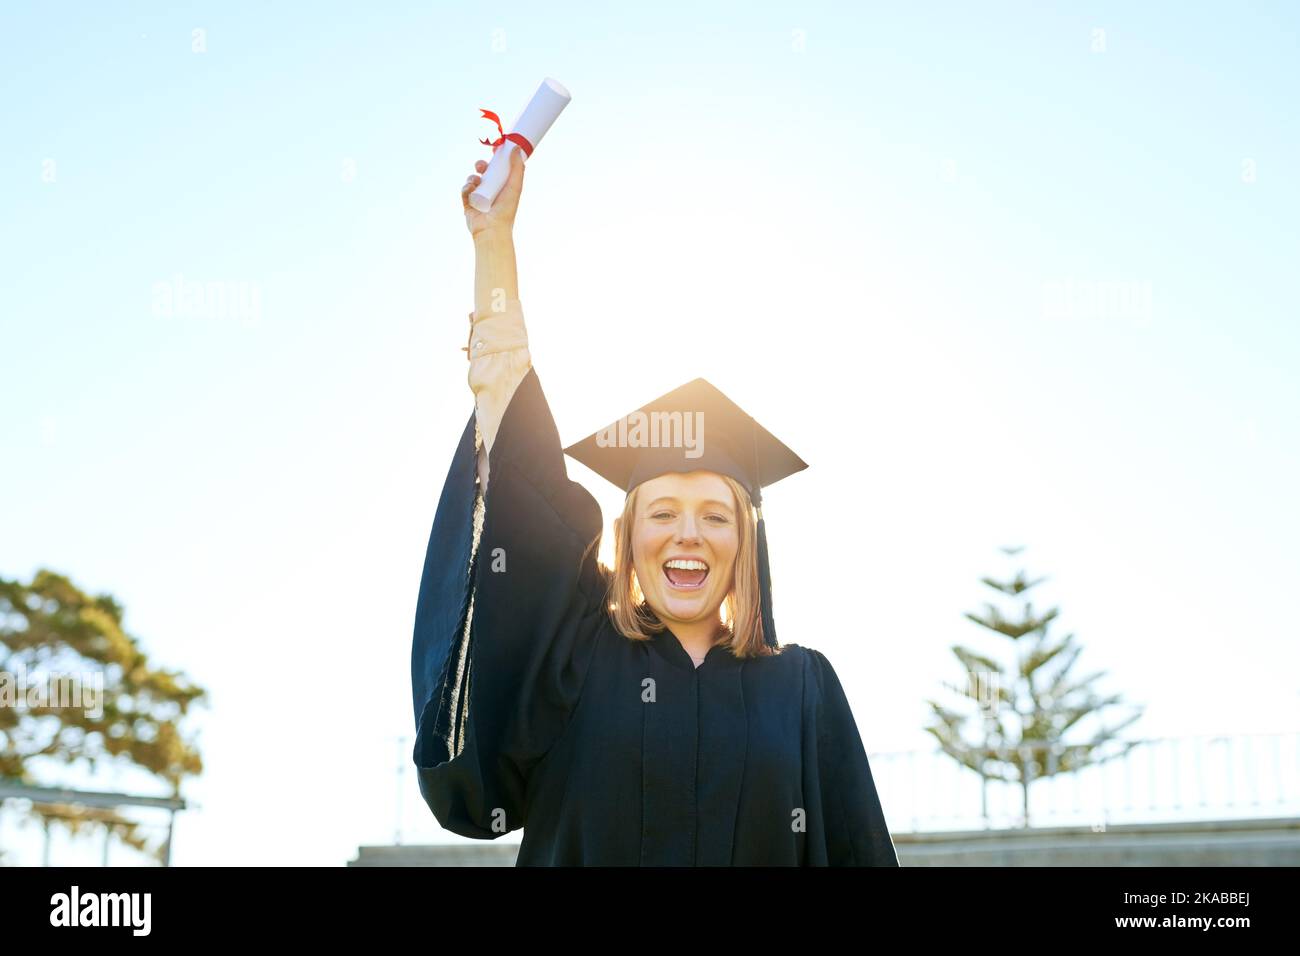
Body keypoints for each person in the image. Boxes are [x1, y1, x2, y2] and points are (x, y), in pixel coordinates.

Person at [409, 146, 899, 866]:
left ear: (748, 542)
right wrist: (494, 242)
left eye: (715, 514)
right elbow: (520, 460)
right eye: (662, 512)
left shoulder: (804, 690)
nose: (687, 535)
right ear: (628, 536)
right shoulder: (572, 661)